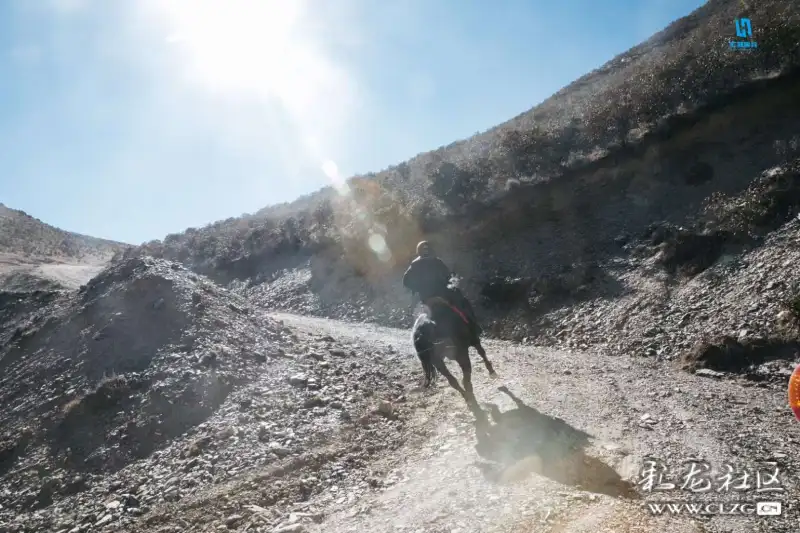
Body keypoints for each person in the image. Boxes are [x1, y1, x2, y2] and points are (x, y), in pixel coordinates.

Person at [402, 240, 482, 342]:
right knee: (462, 302)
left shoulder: (414, 265)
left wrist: (418, 288)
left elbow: (406, 281)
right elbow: (448, 276)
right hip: (443, 295)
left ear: (419, 251)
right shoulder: (437, 261)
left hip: (426, 298)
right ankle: (473, 327)